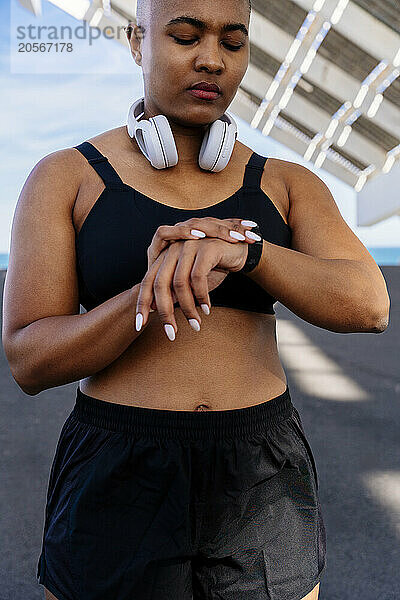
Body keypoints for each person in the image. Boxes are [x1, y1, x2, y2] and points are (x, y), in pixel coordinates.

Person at [2, 0, 390, 599]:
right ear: (137, 42)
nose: (211, 59)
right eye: (185, 36)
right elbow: (29, 360)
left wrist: (248, 253)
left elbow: (369, 305)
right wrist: (150, 292)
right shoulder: (66, 177)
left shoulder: (287, 184)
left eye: (233, 43)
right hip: (119, 464)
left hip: (261, 466)